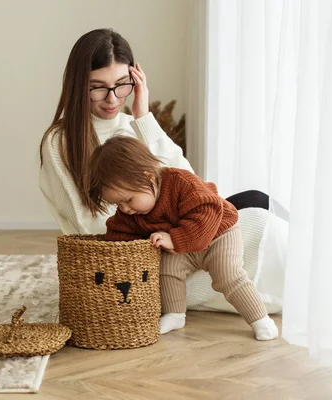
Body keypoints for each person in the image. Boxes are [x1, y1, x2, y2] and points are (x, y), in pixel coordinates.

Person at [39, 28, 286, 315]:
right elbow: (90, 228)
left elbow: (189, 185)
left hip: (168, 233)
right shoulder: (61, 142)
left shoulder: (131, 125)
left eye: (122, 85)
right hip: (135, 253)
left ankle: (319, 270)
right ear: (77, 85)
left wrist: (143, 118)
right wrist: (172, 234)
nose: (112, 98)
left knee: (255, 199)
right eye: (97, 87)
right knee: (257, 221)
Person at [88, 136, 278, 340]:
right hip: (183, 247)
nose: (125, 209)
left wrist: (174, 239)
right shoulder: (130, 213)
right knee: (167, 270)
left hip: (218, 233)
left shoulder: (181, 182)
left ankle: (260, 318)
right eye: (118, 205)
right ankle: (175, 313)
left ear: (149, 177)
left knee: (228, 274)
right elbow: (119, 234)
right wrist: (113, 252)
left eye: (128, 200)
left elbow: (207, 211)